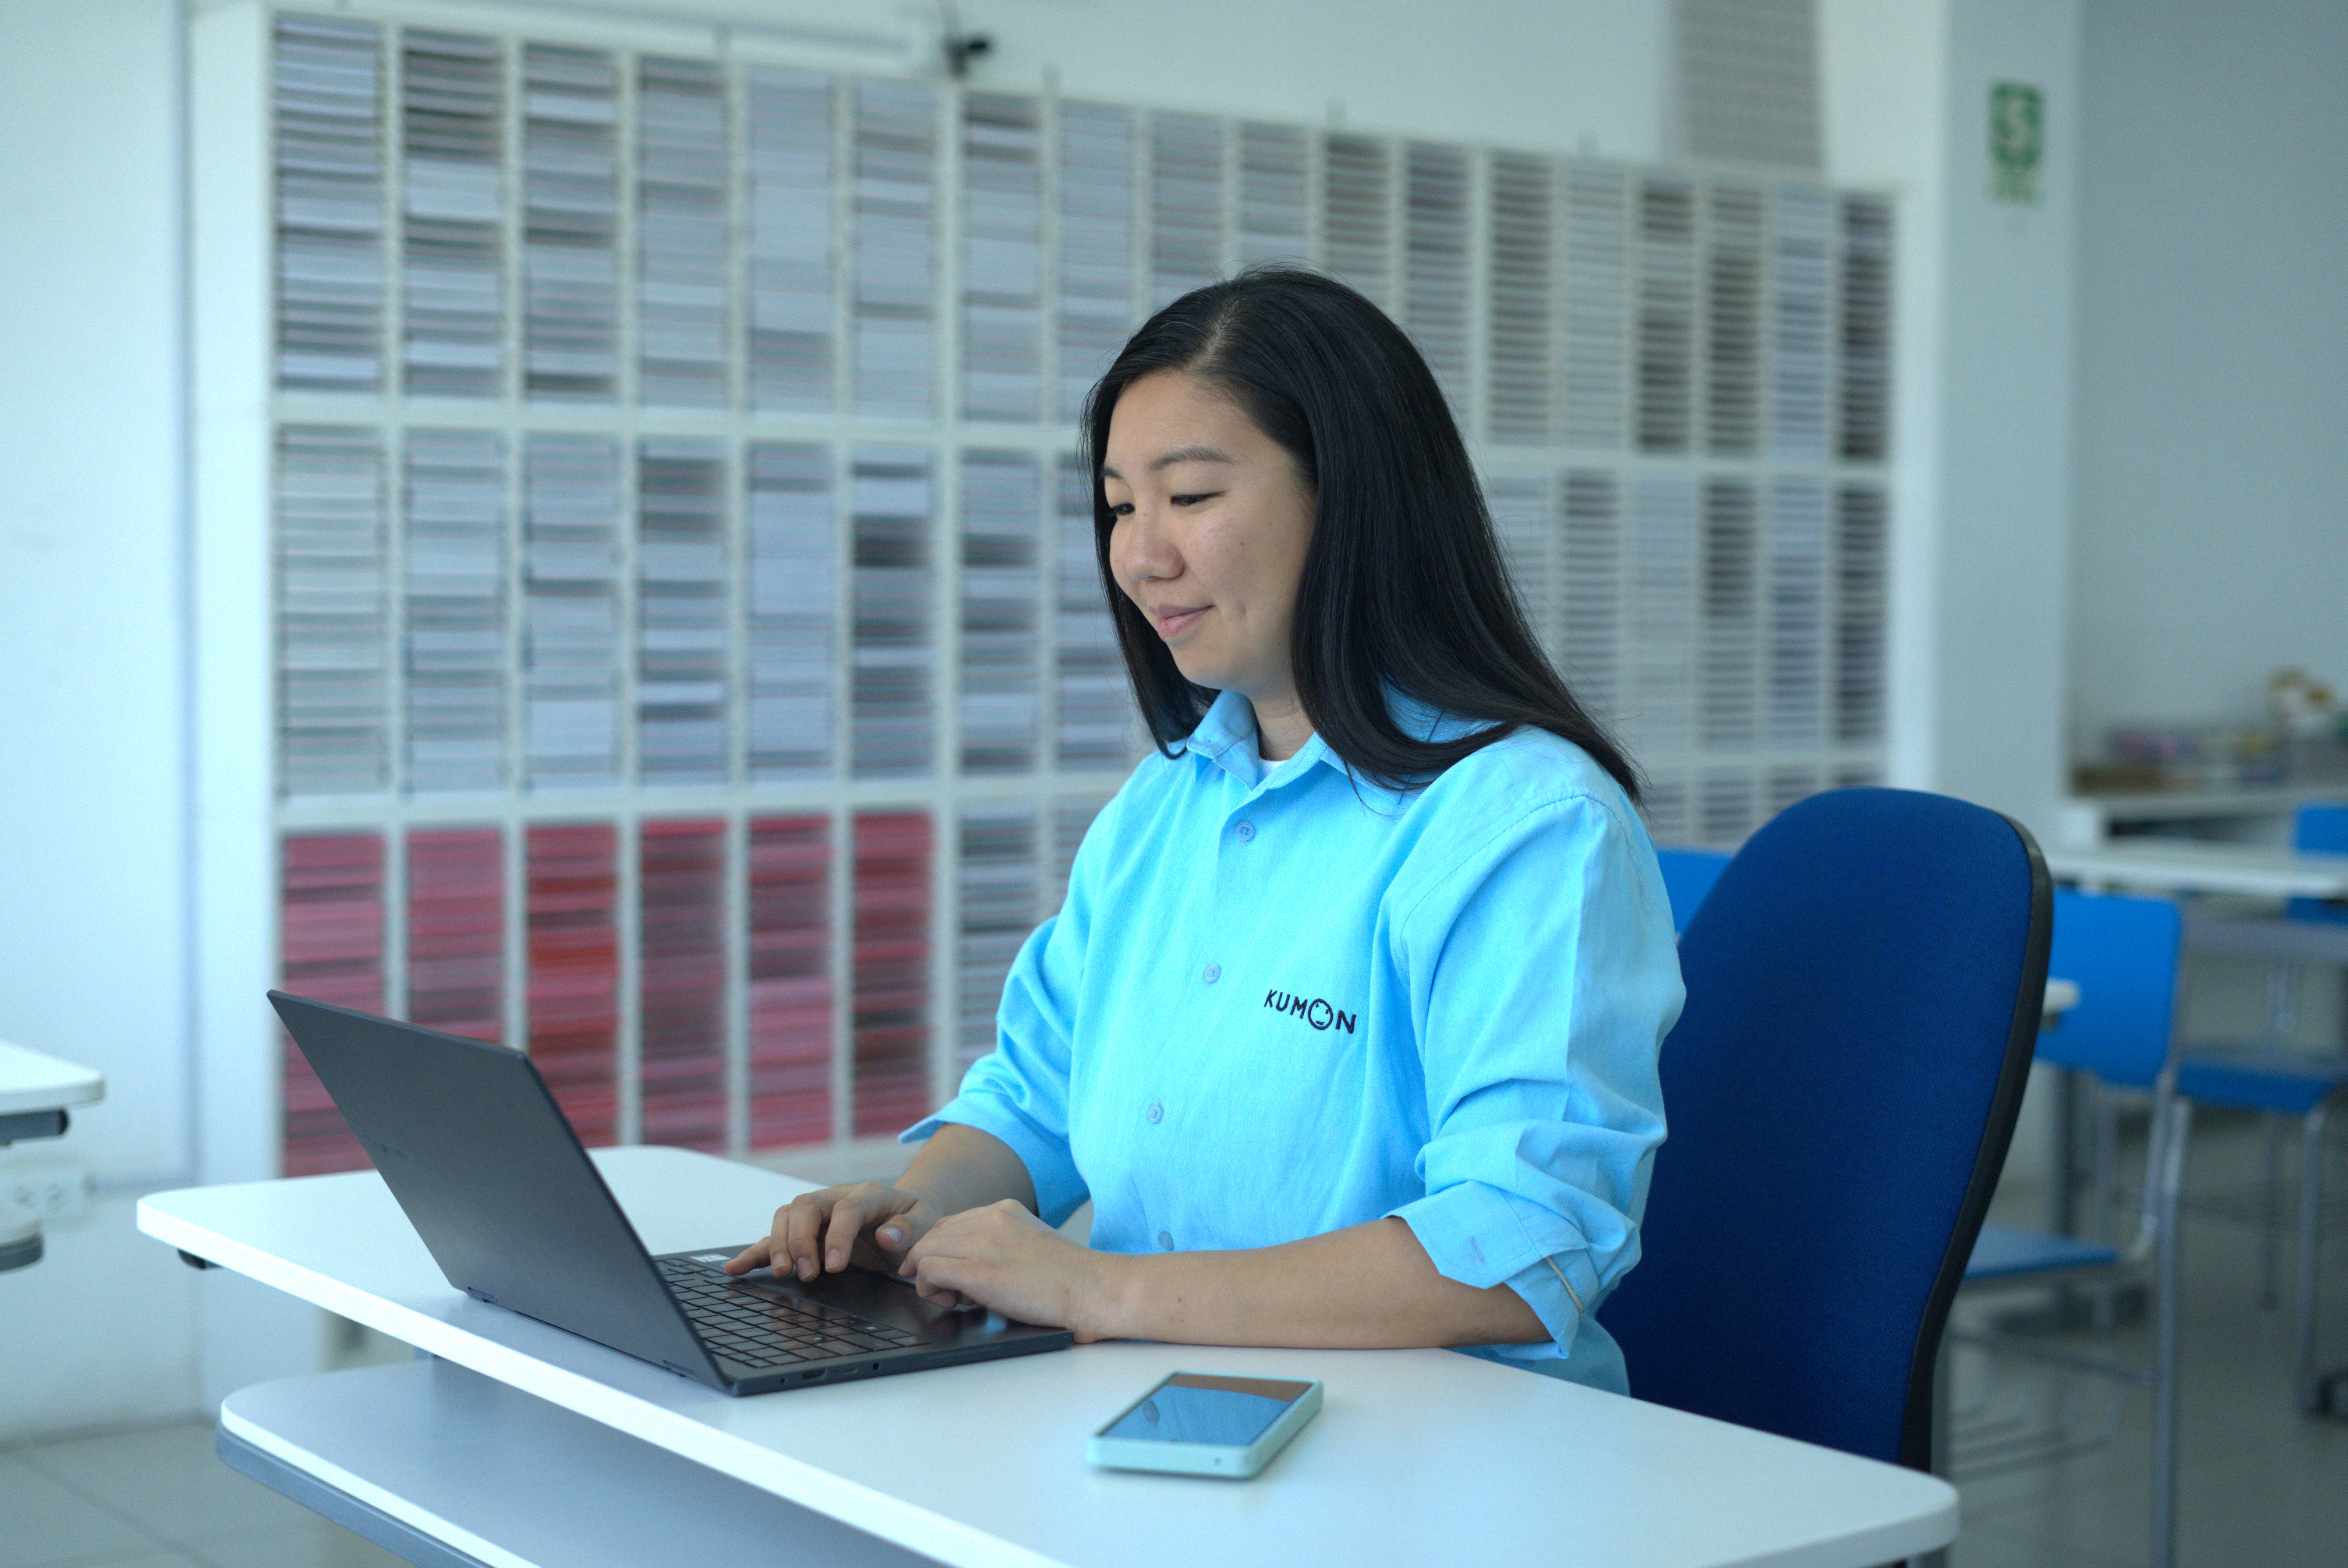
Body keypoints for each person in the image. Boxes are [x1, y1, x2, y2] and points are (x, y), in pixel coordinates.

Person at [728, 267, 1681, 1391]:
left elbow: (1519, 1250)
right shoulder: (1166, 805)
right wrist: (902, 1216)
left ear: (1352, 497)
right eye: (1122, 506)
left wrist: (1097, 1290)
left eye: (1188, 498)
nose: (1140, 556)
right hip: (1162, 1410)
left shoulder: (1533, 826)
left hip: (1443, 1466)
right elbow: (1037, 1095)